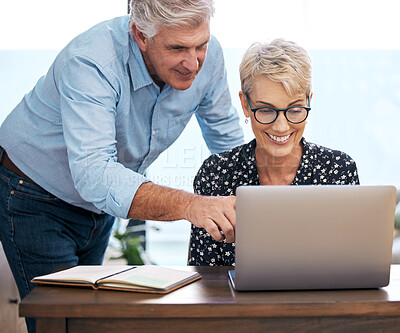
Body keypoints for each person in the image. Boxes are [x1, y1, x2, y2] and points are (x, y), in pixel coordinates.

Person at [0, 1, 244, 331]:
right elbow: (95, 175)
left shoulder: (207, 56)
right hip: (34, 194)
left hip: (99, 208)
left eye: (201, 44)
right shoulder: (92, 61)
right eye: (178, 48)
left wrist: (267, 206)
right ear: (140, 35)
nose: (193, 62)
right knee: (63, 323)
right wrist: (192, 206)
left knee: (88, 320)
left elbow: (228, 141)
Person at [188, 39, 359, 266]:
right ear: (245, 105)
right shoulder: (217, 173)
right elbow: (204, 275)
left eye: (295, 110)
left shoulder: (338, 169)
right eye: (266, 110)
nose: (281, 127)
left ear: (309, 102)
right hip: (234, 302)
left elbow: (351, 263)